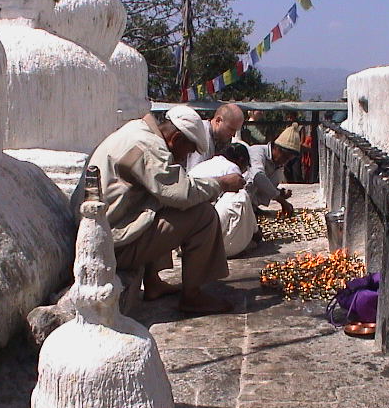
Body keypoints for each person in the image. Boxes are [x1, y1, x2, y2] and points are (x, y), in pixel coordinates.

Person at [82, 105, 245, 314]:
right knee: (203, 215)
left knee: (160, 201)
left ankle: (153, 282)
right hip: (113, 245)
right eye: (188, 150)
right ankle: (192, 296)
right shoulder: (150, 147)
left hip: (109, 232)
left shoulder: (138, 130)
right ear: (175, 140)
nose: (186, 157)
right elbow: (182, 193)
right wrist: (222, 183)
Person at [188, 143, 258, 257]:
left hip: (185, 234)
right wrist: (254, 231)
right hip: (201, 234)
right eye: (246, 166)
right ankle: (223, 247)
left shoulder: (207, 164)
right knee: (241, 195)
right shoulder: (233, 169)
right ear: (241, 161)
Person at [246, 122, 301, 217]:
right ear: (276, 148)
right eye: (284, 157)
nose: (284, 161)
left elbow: (266, 187)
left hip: (251, 206)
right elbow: (258, 177)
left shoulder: (278, 165)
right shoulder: (257, 152)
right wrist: (280, 199)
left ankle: (254, 209)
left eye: (288, 159)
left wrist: (280, 193)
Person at [186, 103, 244, 170]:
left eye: (235, 130)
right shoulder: (202, 134)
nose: (233, 134)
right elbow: (194, 173)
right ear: (218, 121)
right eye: (231, 129)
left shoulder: (223, 139)